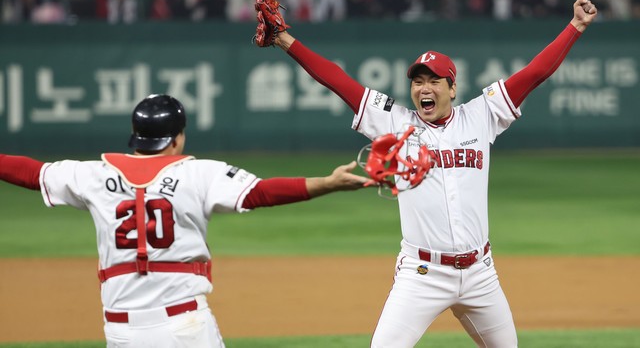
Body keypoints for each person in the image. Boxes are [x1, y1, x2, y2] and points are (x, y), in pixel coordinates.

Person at [259, 0, 597, 347]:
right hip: (422, 274)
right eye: (418, 81)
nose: (424, 88)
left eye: (434, 80)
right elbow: (337, 80)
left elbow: (535, 73)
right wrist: (283, 39)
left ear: (452, 88)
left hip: (481, 274)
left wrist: (575, 26)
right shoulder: (393, 121)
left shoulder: (481, 115)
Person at [0, 94, 368, 347]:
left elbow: (32, 173)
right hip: (184, 327)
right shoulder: (198, 174)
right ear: (177, 138)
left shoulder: (95, 174)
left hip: (120, 330)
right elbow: (260, 193)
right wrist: (327, 183)